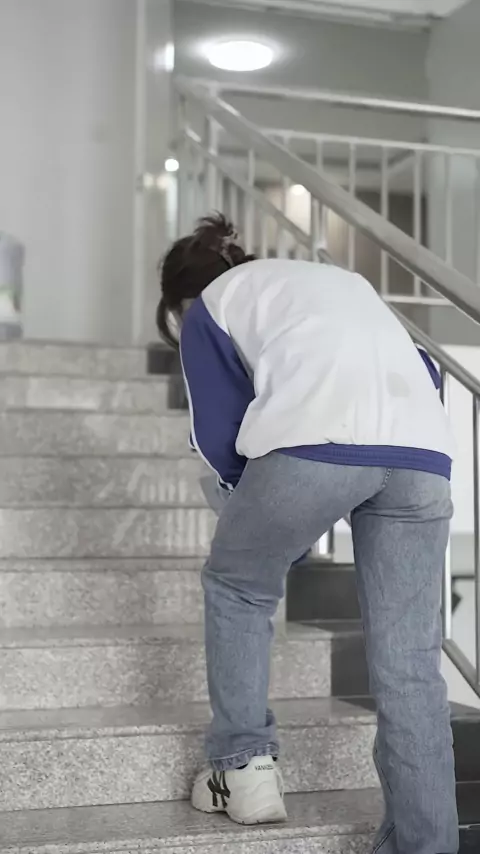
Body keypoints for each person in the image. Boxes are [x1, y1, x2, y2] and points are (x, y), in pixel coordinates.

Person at [157, 213, 458, 854]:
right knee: (410, 666)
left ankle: (243, 771)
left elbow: (216, 433)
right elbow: (426, 371)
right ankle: (426, 844)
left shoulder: (211, 306)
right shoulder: (338, 282)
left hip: (315, 445)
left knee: (237, 586)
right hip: (423, 454)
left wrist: (250, 510)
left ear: (181, 299)